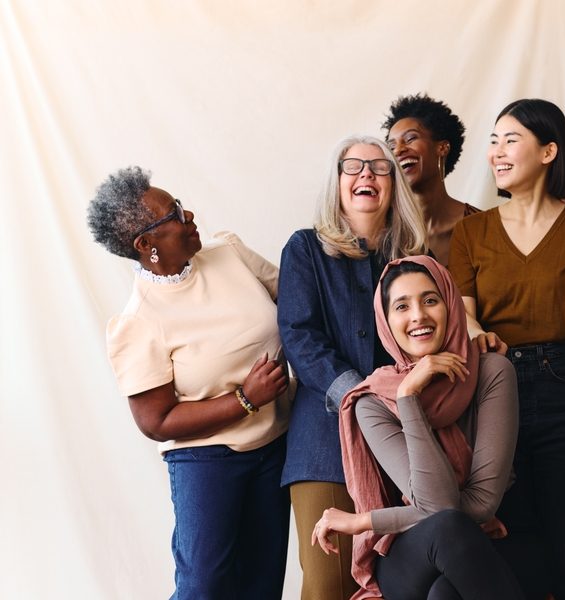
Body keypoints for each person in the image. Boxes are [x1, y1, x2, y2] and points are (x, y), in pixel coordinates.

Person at [88, 166, 291, 599]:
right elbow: (156, 421)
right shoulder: (138, 322)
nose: (190, 215)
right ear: (146, 244)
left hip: (274, 446)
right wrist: (244, 399)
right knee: (205, 586)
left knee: (262, 582)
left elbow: (296, 303)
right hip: (206, 460)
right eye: (176, 214)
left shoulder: (229, 253)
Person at [450, 98, 565, 599]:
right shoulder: (471, 231)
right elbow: (460, 309)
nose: (497, 152)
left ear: (549, 151)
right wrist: (477, 329)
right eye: (493, 141)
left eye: (511, 140)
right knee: (508, 539)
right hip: (491, 387)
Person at [312, 255, 527, 600]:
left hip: (487, 540)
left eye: (430, 300)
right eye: (401, 306)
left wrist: (365, 522)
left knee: (445, 593)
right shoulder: (372, 401)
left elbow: (481, 503)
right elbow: (442, 508)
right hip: (409, 554)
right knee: (448, 528)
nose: (418, 316)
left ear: (450, 304)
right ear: (386, 321)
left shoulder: (492, 372)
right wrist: (408, 393)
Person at [278, 136, 426, 600]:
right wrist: (357, 395)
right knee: (328, 585)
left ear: (394, 184)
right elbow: (298, 335)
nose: (366, 175)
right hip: (323, 443)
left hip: (401, 439)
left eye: (380, 168)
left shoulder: (413, 261)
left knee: (394, 584)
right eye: (354, 167)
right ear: (337, 181)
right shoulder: (305, 249)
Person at [383, 94, 479, 266]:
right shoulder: (383, 229)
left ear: (442, 148)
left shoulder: (481, 225)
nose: (398, 150)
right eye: (391, 146)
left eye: (410, 138)